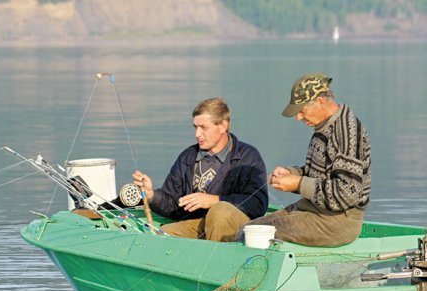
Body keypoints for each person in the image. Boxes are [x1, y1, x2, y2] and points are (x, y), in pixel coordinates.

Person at [242, 73, 371, 247]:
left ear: (320, 101)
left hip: (337, 221)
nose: (299, 117)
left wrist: (297, 184)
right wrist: (291, 173)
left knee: (254, 236)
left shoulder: (346, 133)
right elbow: (322, 174)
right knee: (248, 229)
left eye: (302, 111)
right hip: (313, 209)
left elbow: (346, 194)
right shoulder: (325, 125)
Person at [132, 97, 268, 242]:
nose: (197, 134)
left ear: (222, 125)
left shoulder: (248, 156)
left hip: (237, 225)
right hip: (199, 224)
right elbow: (172, 204)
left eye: (203, 127)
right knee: (160, 235)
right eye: (195, 127)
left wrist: (215, 200)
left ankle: (216, 262)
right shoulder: (188, 157)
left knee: (219, 212)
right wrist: (152, 195)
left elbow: (258, 203)